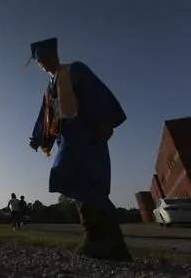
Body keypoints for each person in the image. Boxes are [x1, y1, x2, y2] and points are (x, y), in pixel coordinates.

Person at [27, 37, 132, 262]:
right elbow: (45, 117)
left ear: (55, 56)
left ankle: (99, 239)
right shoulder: (49, 88)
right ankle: (110, 243)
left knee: (84, 180)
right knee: (77, 181)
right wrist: (38, 138)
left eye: (45, 57)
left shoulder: (74, 70)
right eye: (39, 61)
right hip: (66, 139)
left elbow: (95, 91)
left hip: (86, 133)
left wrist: (104, 119)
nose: (42, 63)